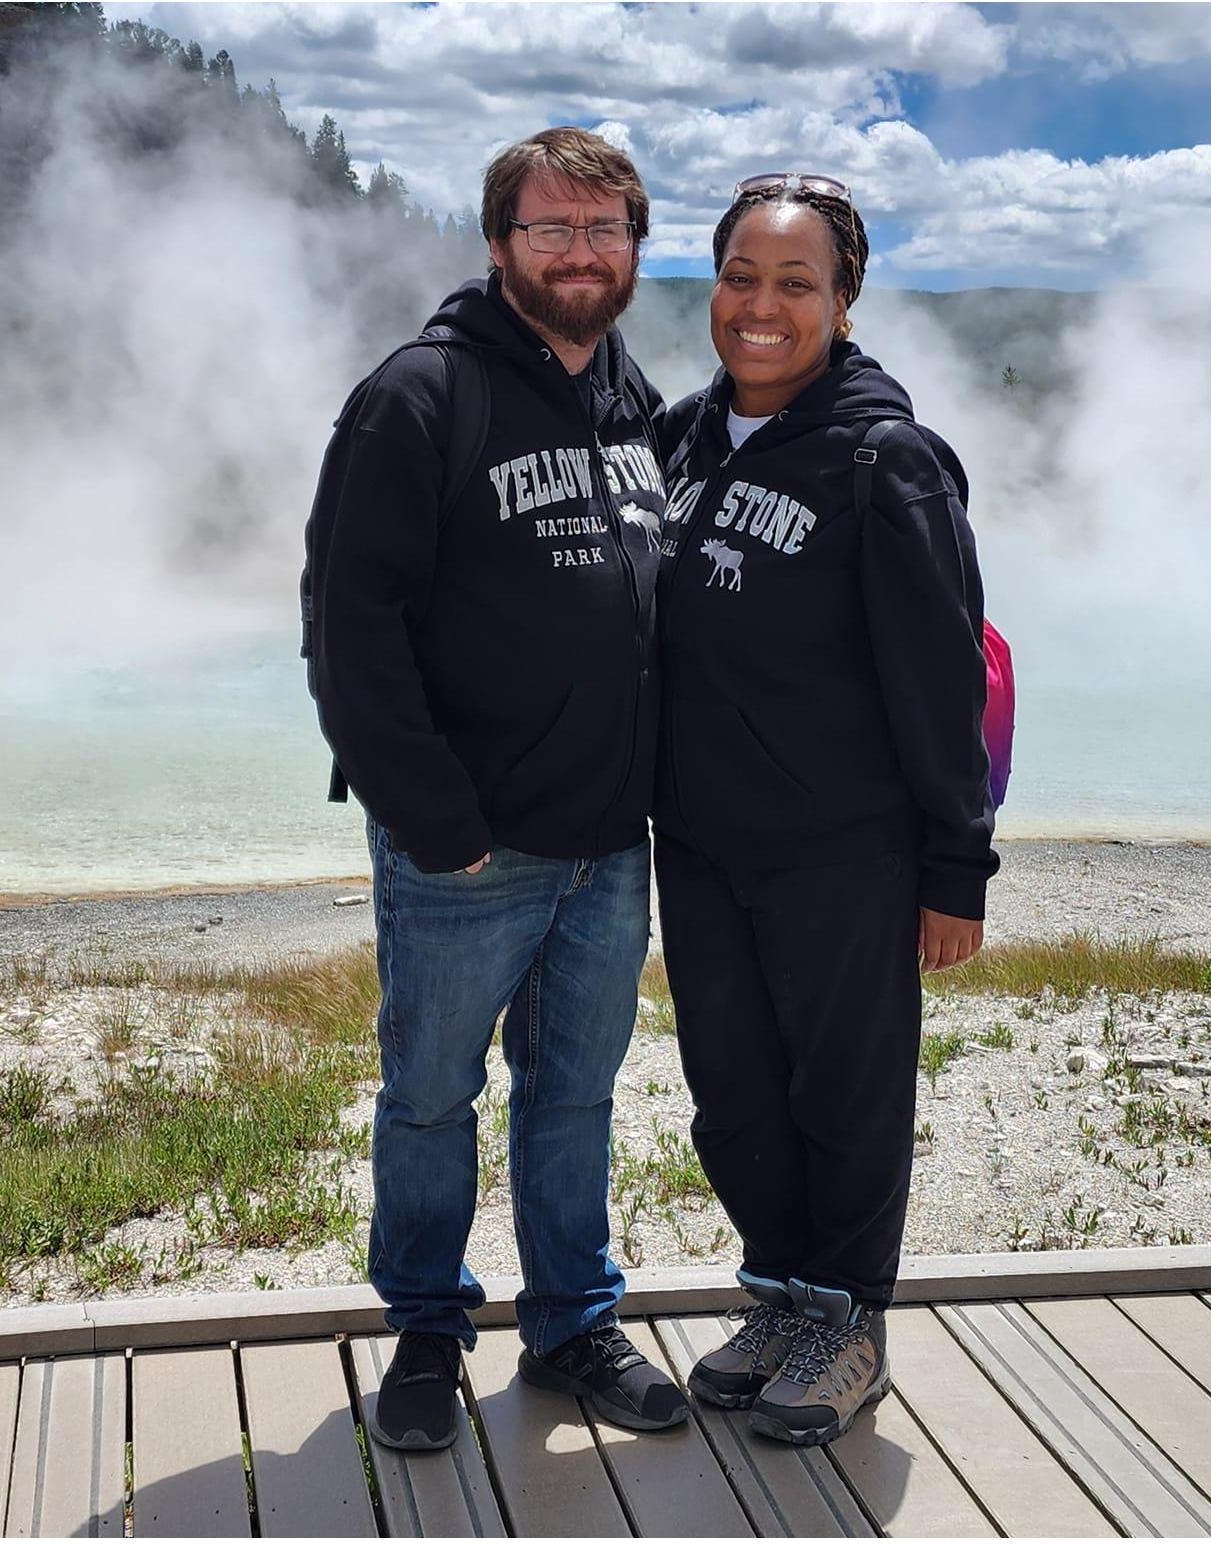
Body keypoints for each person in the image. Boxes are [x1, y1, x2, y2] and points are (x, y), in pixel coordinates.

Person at [304, 127, 686, 1449]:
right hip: (467, 850)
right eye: (551, 227)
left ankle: (572, 1321)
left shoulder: (632, 404)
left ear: (633, 248)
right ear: (498, 242)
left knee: (572, 1095)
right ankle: (424, 1327)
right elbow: (349, 626)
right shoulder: (420, 395)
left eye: (603, 229)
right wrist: (436, 821)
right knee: (430, 1095)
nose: (579, 252)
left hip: (608, 843)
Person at [653, 173, 998, 1446]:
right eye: (741, 275)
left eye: (796, 283)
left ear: (844, 303)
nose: (762, 304)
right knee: (735, 1091)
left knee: (845, 1095)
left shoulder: (884, 460)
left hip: (844, 851)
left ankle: (850, 1321)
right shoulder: (680, 439)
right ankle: (784, 1294)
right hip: (700, 845)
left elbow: (942, 678)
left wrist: (956, 868)